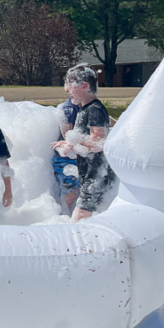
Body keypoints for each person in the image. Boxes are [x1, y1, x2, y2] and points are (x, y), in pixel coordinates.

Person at [51, 65, 116, 221]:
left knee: (79, 217)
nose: (66, 89)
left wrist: (71, 145)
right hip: (91, 175)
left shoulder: (94, 109)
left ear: (84, 86)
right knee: (87, 217)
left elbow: (99, 141)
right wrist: (68, 145)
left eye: (69, 84)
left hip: (97, 175)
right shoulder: (85, 109)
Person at [51, 89, 81, 215]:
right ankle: (64, 223)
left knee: (78, 193)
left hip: (79, 157)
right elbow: (67, 134)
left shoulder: (89, 107)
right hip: (65, 159)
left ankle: (73, 220)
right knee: (69, 195)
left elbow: (104, 121)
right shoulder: (69, 109)